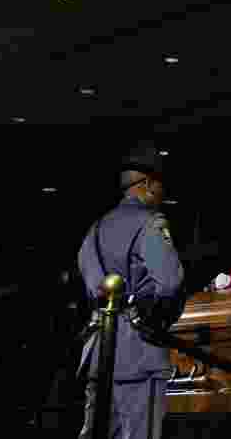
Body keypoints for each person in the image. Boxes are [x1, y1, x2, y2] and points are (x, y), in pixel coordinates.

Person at [76, 144, 186, 439]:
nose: (163, 192)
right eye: (161, 184)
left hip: (99, 351)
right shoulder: (151, 223)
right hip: (139, 351)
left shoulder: (95, 229)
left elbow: (92, 285)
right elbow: (170, 282)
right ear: (148, 184)